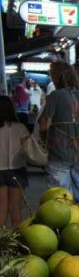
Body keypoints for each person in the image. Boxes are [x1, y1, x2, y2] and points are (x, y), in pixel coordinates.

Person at [38, 61, 79, 209]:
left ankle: (65, 231)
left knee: (60, 201)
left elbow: (44, 125)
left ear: (56, 77)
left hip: (59, 152)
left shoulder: (55, 96)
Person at [0, 96, 29, 226]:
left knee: (2, 209)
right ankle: (17, 243)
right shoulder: (20, 127)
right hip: (17, 170)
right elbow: (27, 149)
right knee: (15, 209)